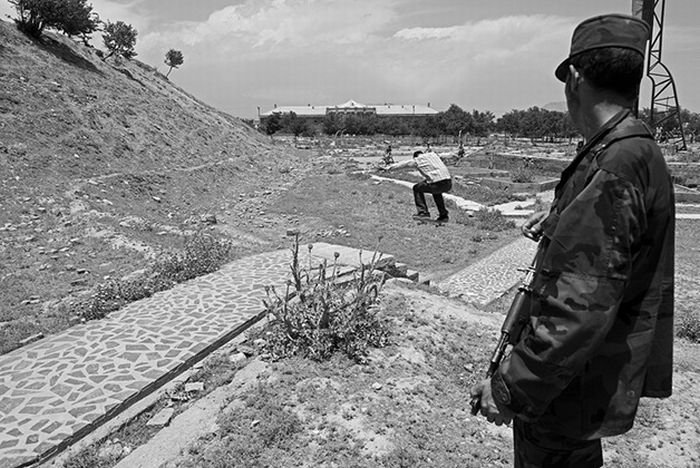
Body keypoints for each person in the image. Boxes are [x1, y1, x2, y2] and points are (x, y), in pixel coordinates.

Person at [470, 13, 675, 468]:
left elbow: (579, 306)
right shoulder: (628, 149)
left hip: (567, 388)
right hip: (581, 381)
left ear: (576, 79)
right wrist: (562, 217)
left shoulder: (616, 163)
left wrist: (511, 387)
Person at [382, 149, 452, 222]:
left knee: (417, 188)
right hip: (448, 183)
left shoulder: (417, 160)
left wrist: (387, 168)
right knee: (436, 192)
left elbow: (403, 164)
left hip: (436, 183)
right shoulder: (434, 155)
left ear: (415, 157)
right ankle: (443, 216)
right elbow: (446, 155)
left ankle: (423, 213)